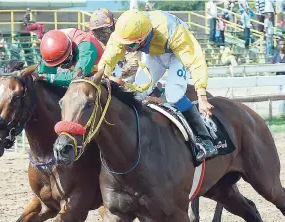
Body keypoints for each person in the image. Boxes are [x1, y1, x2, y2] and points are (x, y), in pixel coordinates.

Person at [98, 9, 218, 159]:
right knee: (137, 93)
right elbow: (107, 60)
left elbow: (195, 61)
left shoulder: (175, 32)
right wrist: (99, 78)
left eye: (130, 46)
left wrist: (202, 96)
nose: (125, 49)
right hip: (154, 54)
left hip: (177, 54)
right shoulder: (122, 34)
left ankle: (205, 139)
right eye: (124, 45)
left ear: (143, 38)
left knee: (173, 94)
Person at [38, 27, 104, 87]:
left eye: (64, 63)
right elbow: (43, 73)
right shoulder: (52, 41)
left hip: (97, 72)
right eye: (57, 65)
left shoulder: (86, 47)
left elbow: (77, 77)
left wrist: (49, 78)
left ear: (71, 52)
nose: (61, 67)